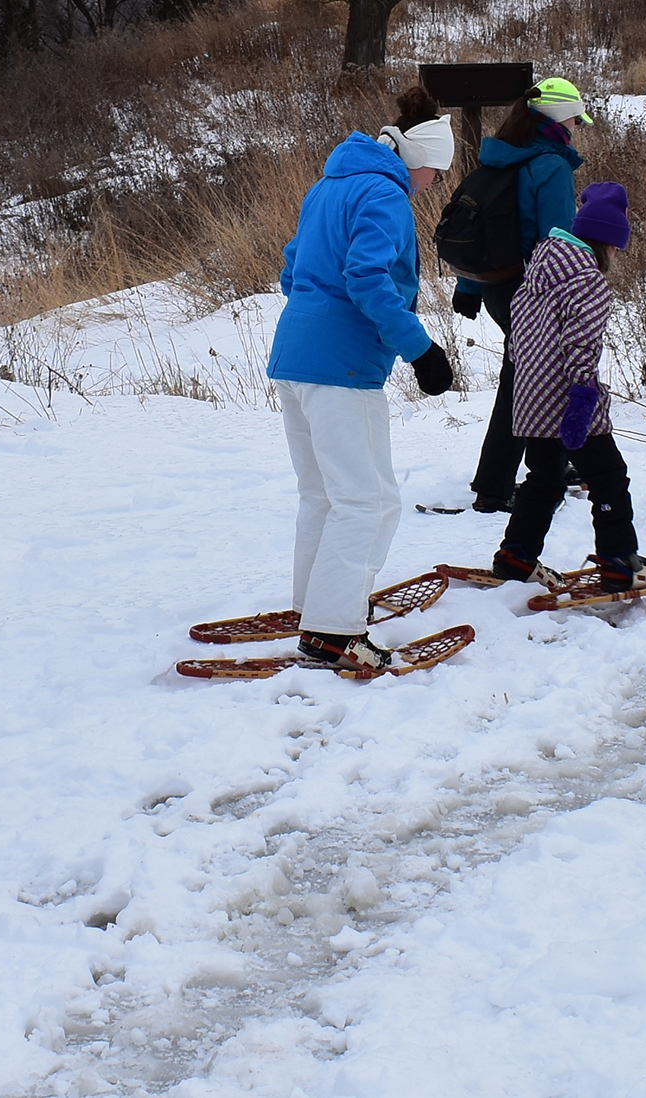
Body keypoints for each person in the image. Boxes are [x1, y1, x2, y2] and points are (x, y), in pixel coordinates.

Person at [266, 87, 455, 672]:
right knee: (368, 501)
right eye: (435, 171)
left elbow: (292, 268)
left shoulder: (328, 186)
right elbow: (367, 278)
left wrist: (313, 320)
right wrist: (421, 350)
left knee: (322, 494)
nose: (434, 183)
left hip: (295, 358)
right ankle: (332, 631)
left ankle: (316, 605)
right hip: (342, 367)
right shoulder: (387, 194)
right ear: (416, 156)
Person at [489, 183, 646, 593]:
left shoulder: (535, 274)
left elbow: (516, 342)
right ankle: (619, 560)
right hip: (570, 400)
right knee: (609, 476)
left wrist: (530, 383)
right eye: (615, 248)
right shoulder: (587, 281)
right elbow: (581, 346)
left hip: (531, 398)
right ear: (606, 241)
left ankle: (516, 555)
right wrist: (582, 398)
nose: (615, 257)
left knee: (544, 479)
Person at [455, 77, 593, 513]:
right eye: (573, 119)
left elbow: (483, 226)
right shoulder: (549, 165)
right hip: (531, 292)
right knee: (527, 381)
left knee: (532, 377)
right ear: (556, 119)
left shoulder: (500, 159)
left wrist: (469, 285)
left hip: (498, 285)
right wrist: (572, 297)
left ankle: (551, 465)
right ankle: (494, 488)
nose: (575, 127)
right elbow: (559, 240)